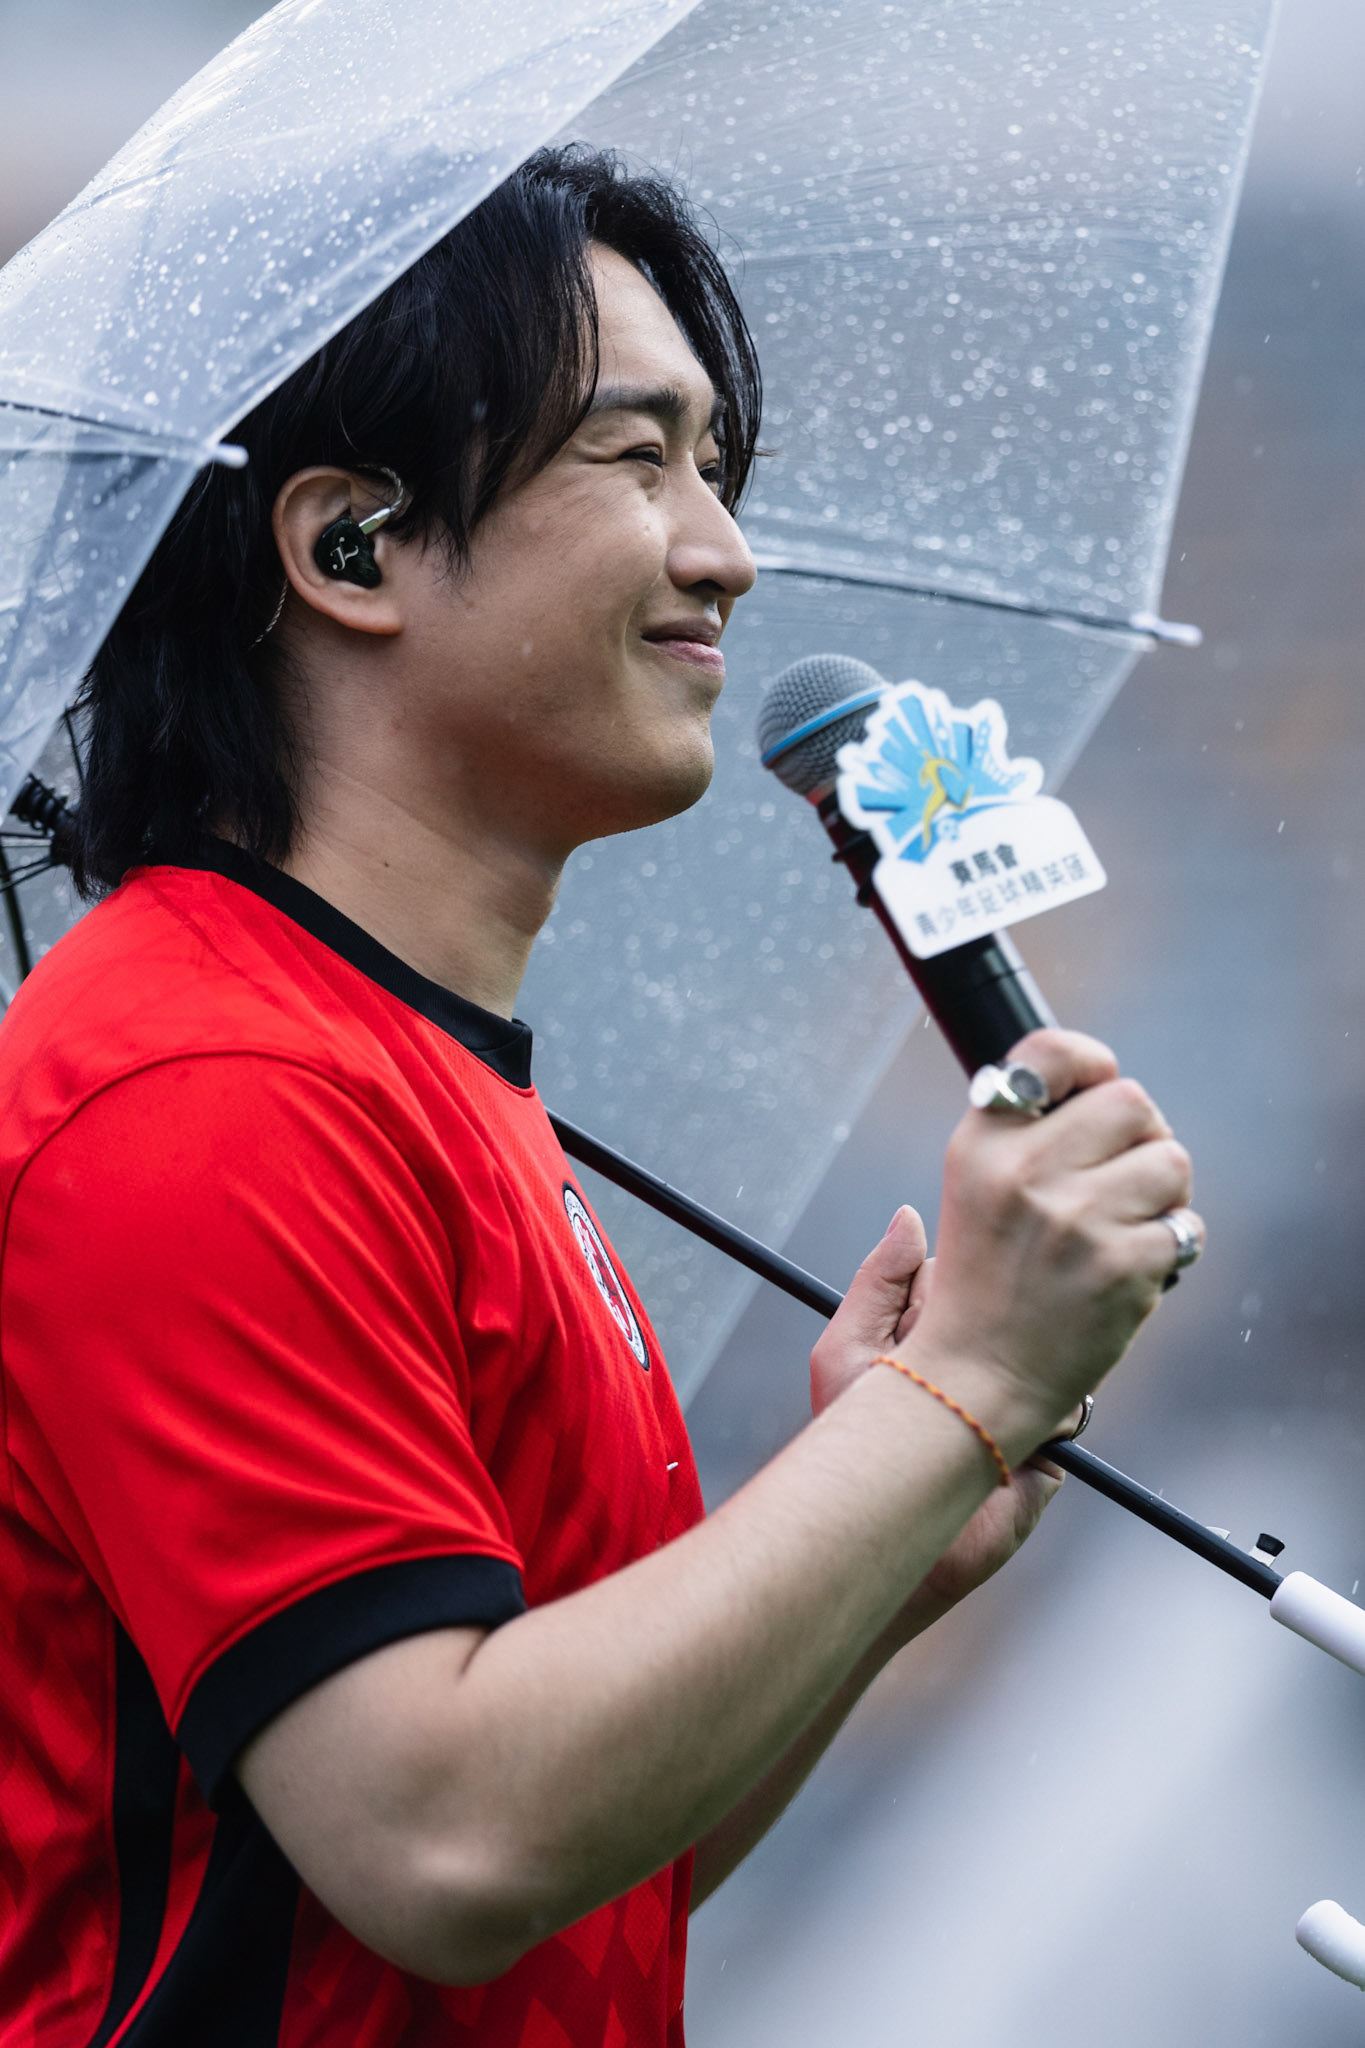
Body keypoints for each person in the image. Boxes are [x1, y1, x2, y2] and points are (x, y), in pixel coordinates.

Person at [0, 146, 1199, 2045]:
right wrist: (959, 1388)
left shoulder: (389, 1071)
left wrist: (889, 1533)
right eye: (636, 460)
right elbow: (445, 1841)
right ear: (351, 546)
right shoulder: (206, 1086)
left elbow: (568, 1883)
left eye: (716, 468)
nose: (723, 550)